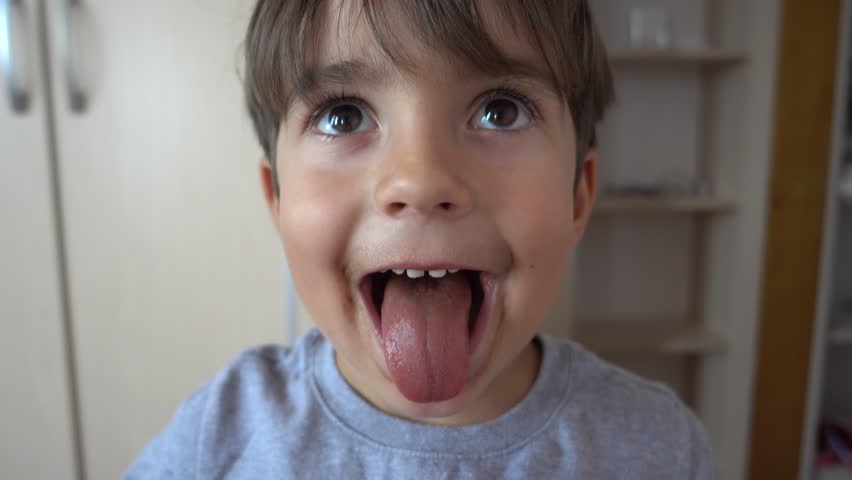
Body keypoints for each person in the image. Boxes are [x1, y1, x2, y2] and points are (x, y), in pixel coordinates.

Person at [126, 0, 713, 478]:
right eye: (343, 116)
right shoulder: (218, 437)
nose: (421, 179)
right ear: (276, 199)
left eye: (500, 111)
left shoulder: (659, 446)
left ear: (578, 197)